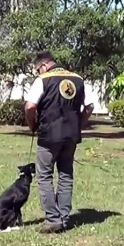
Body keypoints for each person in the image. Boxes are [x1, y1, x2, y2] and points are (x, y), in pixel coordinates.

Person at [24, 51, 95, 234]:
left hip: (49, 135)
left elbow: (30, 106)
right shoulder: (77, 79)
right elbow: (89, 107)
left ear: (44, 66)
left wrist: (32, 124)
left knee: (44, 175)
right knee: (65, 175)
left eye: (38, 69)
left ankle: (53, 219)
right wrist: (80, 124)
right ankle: (64, 218)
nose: (38, 72)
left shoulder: (43, 79)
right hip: (71, 135)